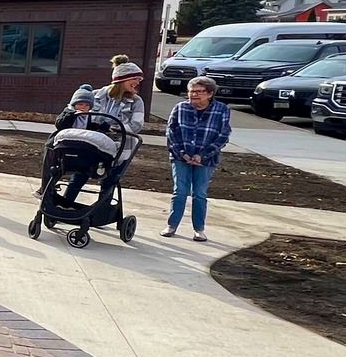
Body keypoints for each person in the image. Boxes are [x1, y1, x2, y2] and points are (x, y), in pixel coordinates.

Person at [64, 57, 149, 208]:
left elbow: (136, 125)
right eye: (135, 79)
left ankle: (101, 211)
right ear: (122, 79)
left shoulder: (136, 102)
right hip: (93, 144)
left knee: (109, 179)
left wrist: (113, 127)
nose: (137, 83)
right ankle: (64, 205)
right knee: (80, 174)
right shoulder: (96, 95)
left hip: (119, 146)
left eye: (139, 80)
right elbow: (78, 112)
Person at [164, 76, 231, 242]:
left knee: (199, 194)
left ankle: (199, 229)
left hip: (206, 159)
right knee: (179, 192)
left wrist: (203, 155)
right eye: (191, 91)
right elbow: (171, 133)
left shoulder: (221, 109)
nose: (194, 95)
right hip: (181, 157)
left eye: (199, 92)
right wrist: (183, 154)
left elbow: (223, 135)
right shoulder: (180, 108)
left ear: (209, 94)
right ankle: (171, 226)